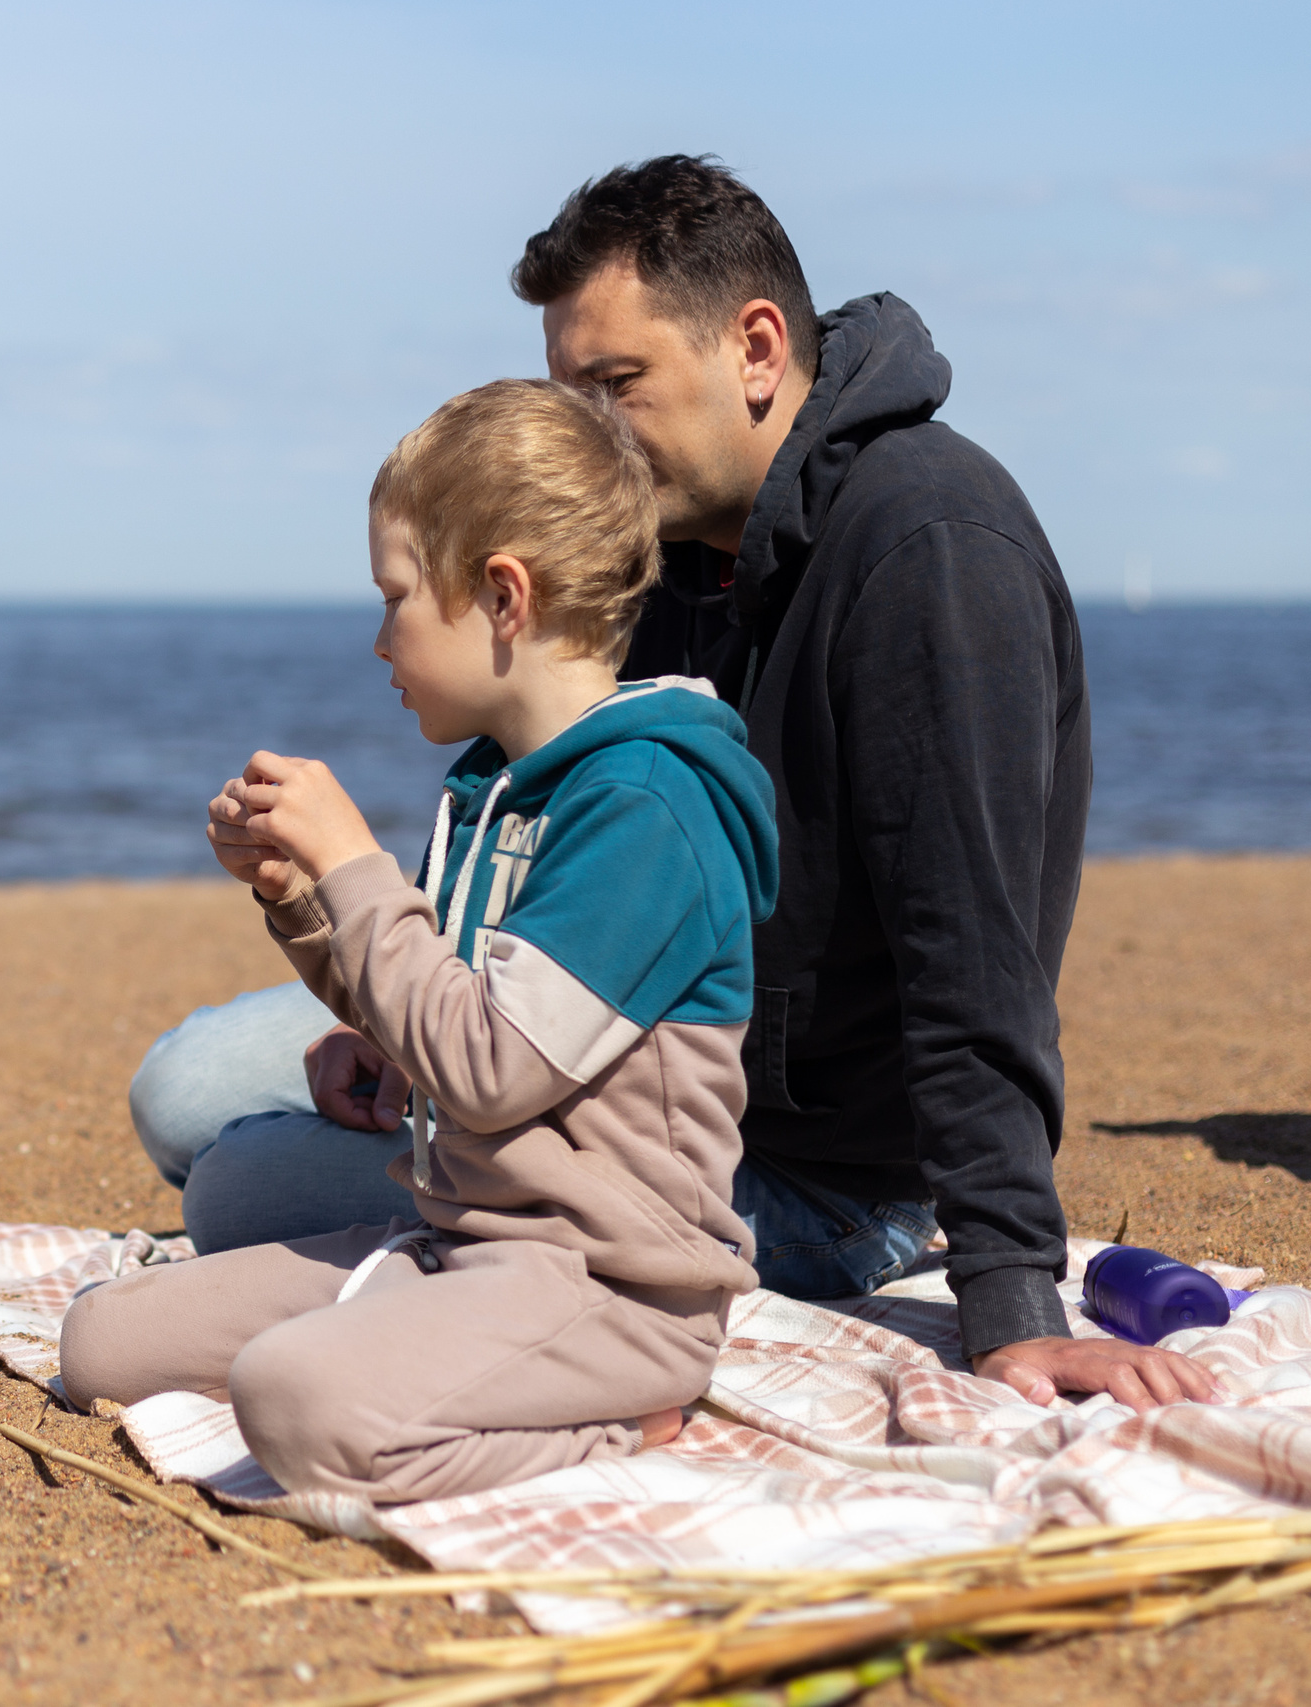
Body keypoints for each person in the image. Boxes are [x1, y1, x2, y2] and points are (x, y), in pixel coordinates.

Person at [130, 156, 1223, 1414]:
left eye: (616, 385)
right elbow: (550, 845)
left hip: (789, 1167)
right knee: (189, 1088)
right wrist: (392, 1015)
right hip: (572, 1032)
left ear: (756, 347)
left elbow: (971, 950)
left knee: (237, 1188)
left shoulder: (929, 548)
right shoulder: (661, 553)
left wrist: (1013, 1296)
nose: (585, 435)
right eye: (568, 393)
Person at [59, 380, 778, 1503]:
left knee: (294, 1401)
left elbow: (490, 1071)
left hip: (613, 1291)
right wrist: (300, 896)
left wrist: (355, 866)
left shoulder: (649, 809)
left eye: (395, 597)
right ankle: (417, 1342)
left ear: (502, 596)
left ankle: (626, 1426)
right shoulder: (498, 788)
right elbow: (434, 1011)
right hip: (465, 1243)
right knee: (97, 1346)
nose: (380, 637)